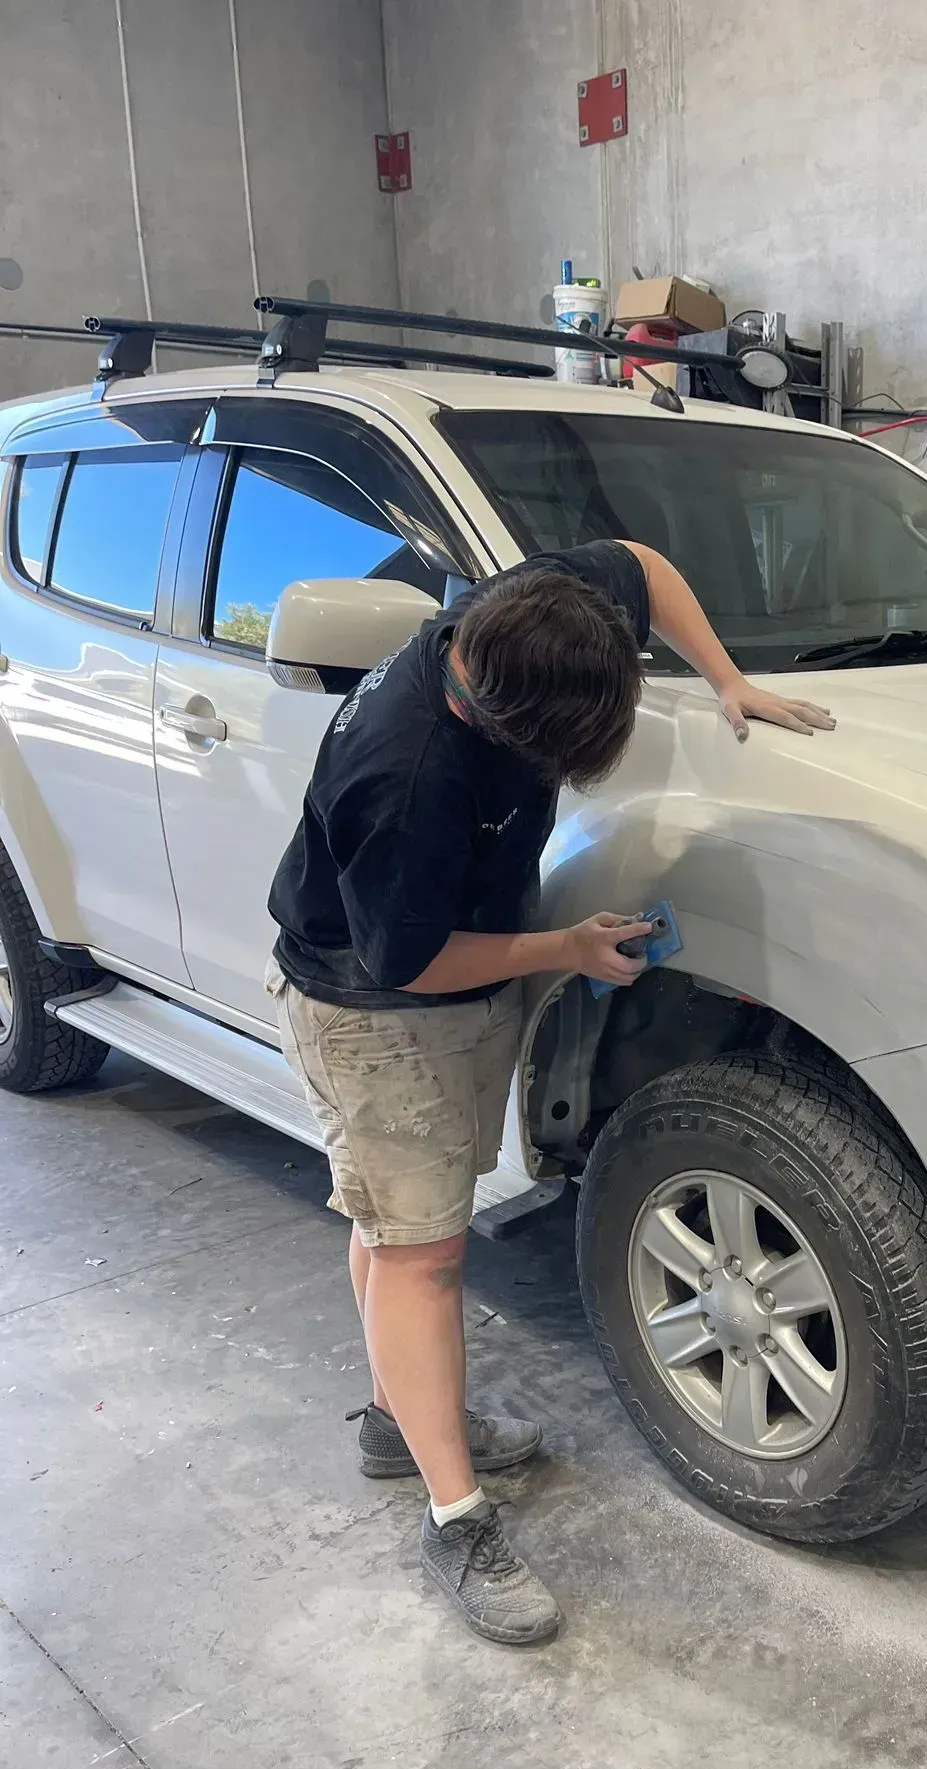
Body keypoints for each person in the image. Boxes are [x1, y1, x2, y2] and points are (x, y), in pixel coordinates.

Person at [265, 539, 833, 1644]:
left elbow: (643, 564)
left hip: (446, 971)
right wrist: (566, 946)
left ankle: (398, 1418)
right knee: (423, 1251)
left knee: (396, 1226)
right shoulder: (407, 778)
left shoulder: (535, 613)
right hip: (372, 1007)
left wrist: (727, 680)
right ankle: (455, 1517)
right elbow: (409, 963)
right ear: (499, 720)